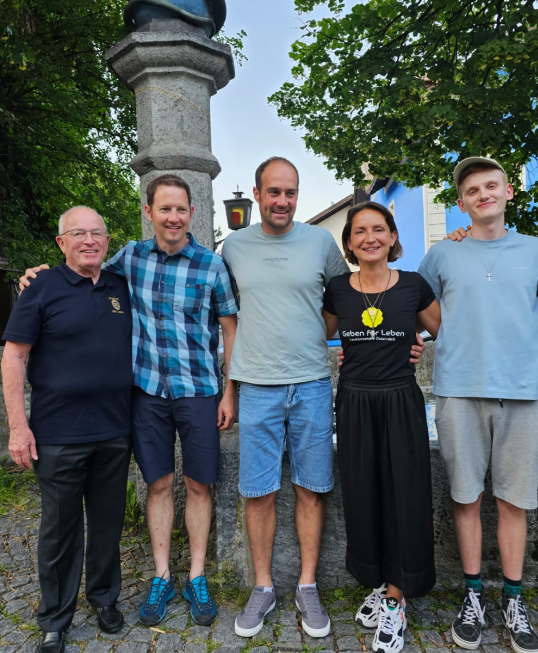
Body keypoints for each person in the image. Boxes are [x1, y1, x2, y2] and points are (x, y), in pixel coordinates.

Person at [20, 175, 239, 628]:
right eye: (165, 209)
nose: (173, 217)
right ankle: (161, 575)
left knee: (199, 485)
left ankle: (196, 575)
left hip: (199, 389)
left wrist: (230, 390)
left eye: (181, 209)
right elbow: (84, 266)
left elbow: (230, 329)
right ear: (149, 212)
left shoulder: (211, 265)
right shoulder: (131, 258)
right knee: (158, 484)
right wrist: (37, 273)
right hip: (145, 392)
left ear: (191, 214)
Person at [425, 157, 538, 653]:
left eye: (491, 186)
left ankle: (514, 598)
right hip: (458, 390)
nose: (483, 195)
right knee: (465, 496)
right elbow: (415, 304)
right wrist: (440, 336)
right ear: (461, 203)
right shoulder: (441, 254)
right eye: (472, 190)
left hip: (523, 392)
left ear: (508, 193)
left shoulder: (537, 250)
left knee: (514, 499)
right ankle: (474, 594)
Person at [222, 156, 352, 639]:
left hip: (313, 384)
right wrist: (229, 388)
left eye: (290, 192)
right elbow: (224, 315)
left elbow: (344, 298)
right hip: (256, 385)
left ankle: (307, 584)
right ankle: (262, 587)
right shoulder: (233, 246)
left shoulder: (320, 243)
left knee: (311, 487)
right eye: (274, 192)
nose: (282, 201)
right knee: (258, 491)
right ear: (256, 195)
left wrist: (315, 337)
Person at [2, 206, 133, 653]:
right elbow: (14, 356)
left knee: (107, 524)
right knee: (59, 529)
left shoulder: (120, 286)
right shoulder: (39, 287)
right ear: (61, 243)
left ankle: (104, 599)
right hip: (57, 434)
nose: (90, 241)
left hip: (115, 429)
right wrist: (18, 427)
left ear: (107, 240)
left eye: (97, 233)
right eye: (79, 234)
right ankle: (55, 618)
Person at [321, 201, 440, 653]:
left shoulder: (413, 286)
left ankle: (397, 597)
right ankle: (376, 581)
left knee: (404, 495)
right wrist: (346, 352)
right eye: (359, 232)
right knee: (362, 494)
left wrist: (419, 345)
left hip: (399, 400)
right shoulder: (338, 289)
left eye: (378, 229)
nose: (369, 237)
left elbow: (441, 330)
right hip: (353, 400)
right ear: (350, 243)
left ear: (392, 236)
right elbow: (327, 333)